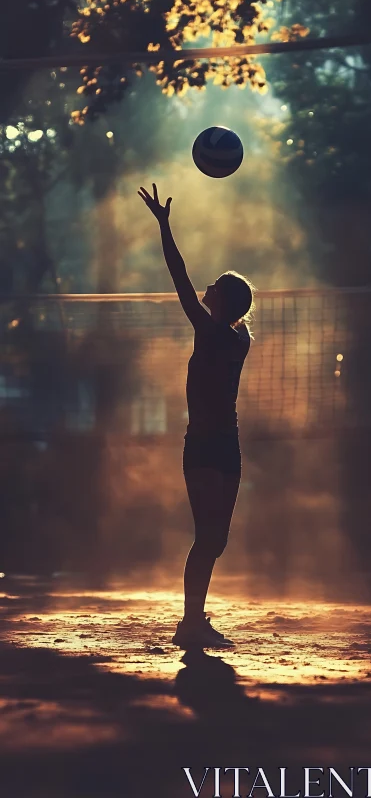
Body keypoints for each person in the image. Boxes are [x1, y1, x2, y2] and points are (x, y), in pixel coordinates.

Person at [138, 184, 255, 649]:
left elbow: (179, 276)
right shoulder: (238, 334)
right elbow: (193, 284)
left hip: (217, 444)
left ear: (220, 302)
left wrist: (165, 227)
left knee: (213, 538)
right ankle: (190, 621)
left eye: (214, 287)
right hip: (215, 444)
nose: (203, 287)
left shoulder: (215, 334)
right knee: (211, 537)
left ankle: (193, 619)